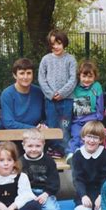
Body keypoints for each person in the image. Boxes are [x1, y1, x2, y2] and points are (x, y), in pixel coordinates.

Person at [38, 30, 77, 158]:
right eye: (53, 44)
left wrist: (62, 93)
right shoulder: (46, 59)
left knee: (64, 125)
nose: (56, 46)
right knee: (52, 124)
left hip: (66, 101)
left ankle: (66, 151)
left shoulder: (70, 59)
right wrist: (50, 94)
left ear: (64, 43)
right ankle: (53, 150)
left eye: (58, 43)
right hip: (50, 101)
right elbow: (41, 79)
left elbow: (73, 79)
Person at [71, 121, 106, 210]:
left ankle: (100, 203)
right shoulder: (77, 155)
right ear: (83, 137)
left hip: (101, 190)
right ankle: (86, 202)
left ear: (101, 140)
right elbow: (77, 179)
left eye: (95, 137)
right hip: (84, 190)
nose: (92, 140)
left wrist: (101, 196)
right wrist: (83, 196)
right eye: (89, 136)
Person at [68, 60, 103, 163]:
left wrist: (99, 117)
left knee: (87, 138)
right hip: (78, 120)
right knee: (76, 136)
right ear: (79, 76)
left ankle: (83, 155)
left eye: (90, 77)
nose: (87, 79)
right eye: (84, 76)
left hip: (91, 120)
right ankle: (71, 154)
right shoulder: (75, 88)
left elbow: (100, 103)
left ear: (94, 77)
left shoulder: (96, 86)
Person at [20, 129, 60, 210]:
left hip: (44, 192)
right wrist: (29, 195)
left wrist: (46, 194)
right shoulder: (20, 162)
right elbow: (18, 182)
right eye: (30, 146)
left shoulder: (49, 161)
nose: (34, 149)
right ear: (23, 145)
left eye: (38, 146)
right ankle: (36, 207)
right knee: (20, 208)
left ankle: (38, 207)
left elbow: (54, 182)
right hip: (27, 192)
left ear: (43, 145)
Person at [0, 58, 45, 130]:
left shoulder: (39, 92)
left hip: (35, 138)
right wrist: (34, 128)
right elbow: (8, 123)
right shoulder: (7, 94)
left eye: (29, 73)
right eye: (22, 73)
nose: (25, 77)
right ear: (15, 75)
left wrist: (43, 126)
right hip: (9, 137)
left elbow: (45, 118)